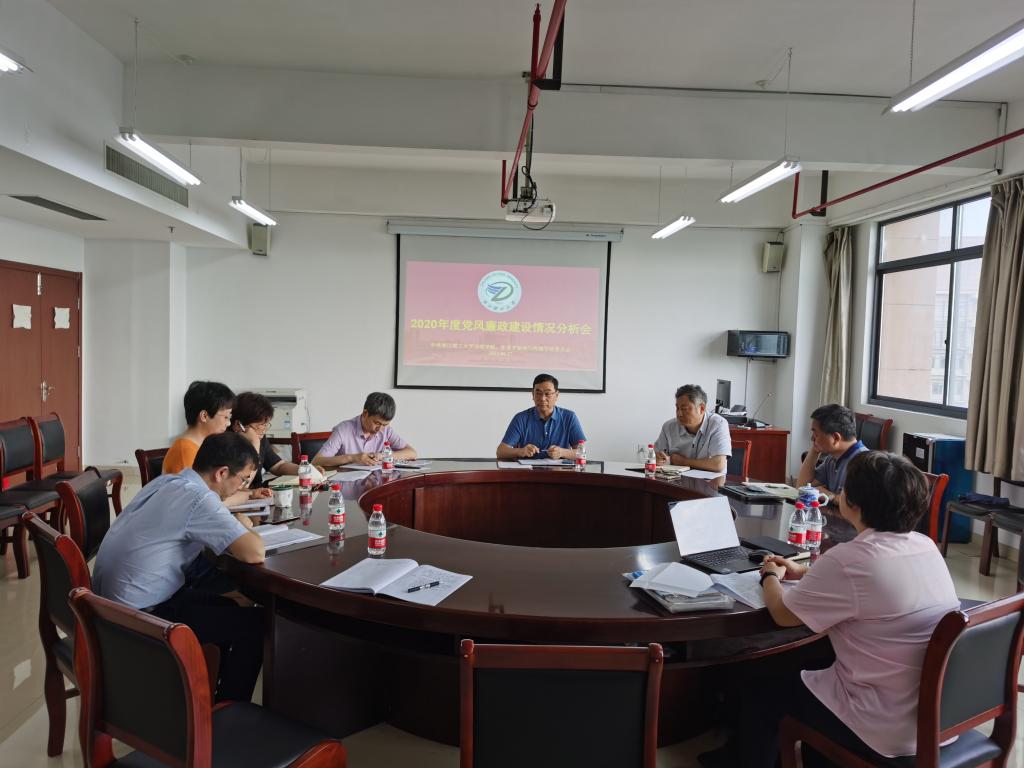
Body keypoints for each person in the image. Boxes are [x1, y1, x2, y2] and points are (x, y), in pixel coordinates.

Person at [747, 451, 959, 766]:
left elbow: (782, 614)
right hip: (938, 718)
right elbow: (869, 587)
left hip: (881, 725)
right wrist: (806, 573)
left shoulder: (848, 560)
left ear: (855, 504)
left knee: (761, 686)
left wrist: (770, 577)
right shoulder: (924, 545)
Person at [93, 432, 268, 702]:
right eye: (243, 479)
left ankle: (208, 689)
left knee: (234, 605)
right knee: (259, 625)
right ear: (222, 473)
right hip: (139, 618)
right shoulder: (199, 500)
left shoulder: (167, 482)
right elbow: (254, 552)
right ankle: (230, 709)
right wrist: (241, 524)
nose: (242, 486)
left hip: (108, 607)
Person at [313, 392, 417, 468]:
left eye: (385, 425)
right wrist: (352, 458)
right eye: (377, 423)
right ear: (365, 413)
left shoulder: (386, 430)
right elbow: (316, 461)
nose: (380, 429)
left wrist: (383, 456)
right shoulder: (343, 430)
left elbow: (412, 453)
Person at [496, 373, 586, 461]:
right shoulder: (520, 419)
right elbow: (501, 451)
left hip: (560, 470)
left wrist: (562, 452)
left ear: (556, 395)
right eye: (538, 393)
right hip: (527, 470)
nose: (542, 398)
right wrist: (521, 451)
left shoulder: (569, 417)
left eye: (548, 393)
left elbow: (582, 453)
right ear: (533, 394)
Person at [796, 403, 867, 501]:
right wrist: (815, 450)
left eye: (816, 434)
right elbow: (802, 488)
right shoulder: (832, 459)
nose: (812, 438)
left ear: (836, 438)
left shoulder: (864, 464)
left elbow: (858, 504)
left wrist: (832, 497)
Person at [162, 381, 236, 475]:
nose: (229, 423)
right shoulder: (185, 450)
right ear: (204, 416)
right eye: (226, 417)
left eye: (229, 417)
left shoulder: (202, 445)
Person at [653, 384, 731, 472]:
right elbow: (655, 456)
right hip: (676, 478)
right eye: (677, 408)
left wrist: (682, 461)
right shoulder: (669, 427)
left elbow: (718, 464)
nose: (679, 413)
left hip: (709, 480)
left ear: (701, 408)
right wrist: (657, 459)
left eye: (684, 409)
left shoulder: (718, 424)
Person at [230, 391, 301, 486]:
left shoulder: (260, 437)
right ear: (238, 425)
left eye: (266, 425)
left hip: (258, 492)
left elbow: (278, 466)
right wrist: (255, 444)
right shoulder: (226, 443)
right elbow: (241, 485)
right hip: (242, 493)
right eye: (259, 426)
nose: (263, 431)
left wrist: (305, 470)